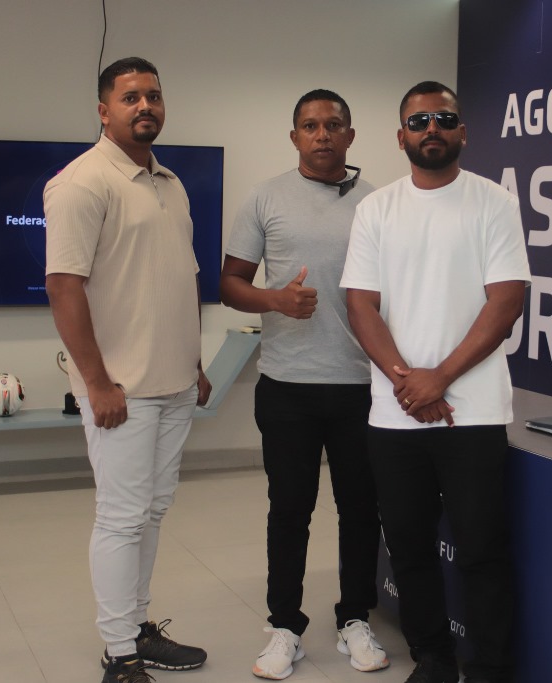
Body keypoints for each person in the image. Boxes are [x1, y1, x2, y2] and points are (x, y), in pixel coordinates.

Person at [341, 81, 531, 683]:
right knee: (408, 546)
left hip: (472, 412)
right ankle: (433, 658)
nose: (432, 129)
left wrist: (439, 378)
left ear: (462, 133)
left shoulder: (494, 202)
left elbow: (505, 303)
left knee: (481, 549)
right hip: (394, 414)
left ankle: (490, 669)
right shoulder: (376, 208)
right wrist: (408, 383)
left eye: (444, 119)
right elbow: (360, 305)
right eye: (419, 120)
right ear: (400, 136)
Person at [44, 57, 211, 683]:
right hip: (121, 391)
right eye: (131, 96)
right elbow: (64, 286)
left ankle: (138, 627)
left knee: (152, 511)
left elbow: (182, 276)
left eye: (154, 96)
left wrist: (195, 362)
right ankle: (119, 655)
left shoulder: (171, 182)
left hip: (174, 383)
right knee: (120, 517)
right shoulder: (82, 182)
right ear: (103, 110)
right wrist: (96, 383)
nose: (146, 106)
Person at [220, 89, 388, 680]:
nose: (322, 135)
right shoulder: (265, 198)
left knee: (360, 510)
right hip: (287, 385)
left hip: (360, 386)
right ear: (294, 137)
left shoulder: (376, 204)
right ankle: (284, 626)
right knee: (289, 511)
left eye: (333, 125)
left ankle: (354, 619)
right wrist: (275, 300)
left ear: (350, 135)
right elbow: (230, 283)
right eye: (310, 126)